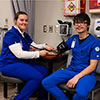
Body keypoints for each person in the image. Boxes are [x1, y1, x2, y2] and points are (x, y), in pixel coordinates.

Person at [42, 13, 100, 100]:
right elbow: (59, 50)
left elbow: (92, 66)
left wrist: (76, 77)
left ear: (88, 25)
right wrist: (45, 51)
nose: (79, 25)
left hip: (86, 74)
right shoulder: (73, 38)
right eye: (76, 23)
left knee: (81, 93)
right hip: (71, 70)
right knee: (46, 82)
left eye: (82, 23)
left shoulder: (95, 42)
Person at [0, 11, 55, 100]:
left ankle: (42, 98)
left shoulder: (24, 34)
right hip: (9, 64)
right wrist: (39, 53)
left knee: (46, 72)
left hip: (21, 63)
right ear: (15, 21)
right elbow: (19, 54)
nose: (24, 22)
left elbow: (34, 45)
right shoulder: (11, 34)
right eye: (21, 20)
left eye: (26, 20)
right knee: (37, 77)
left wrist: (45, 46)